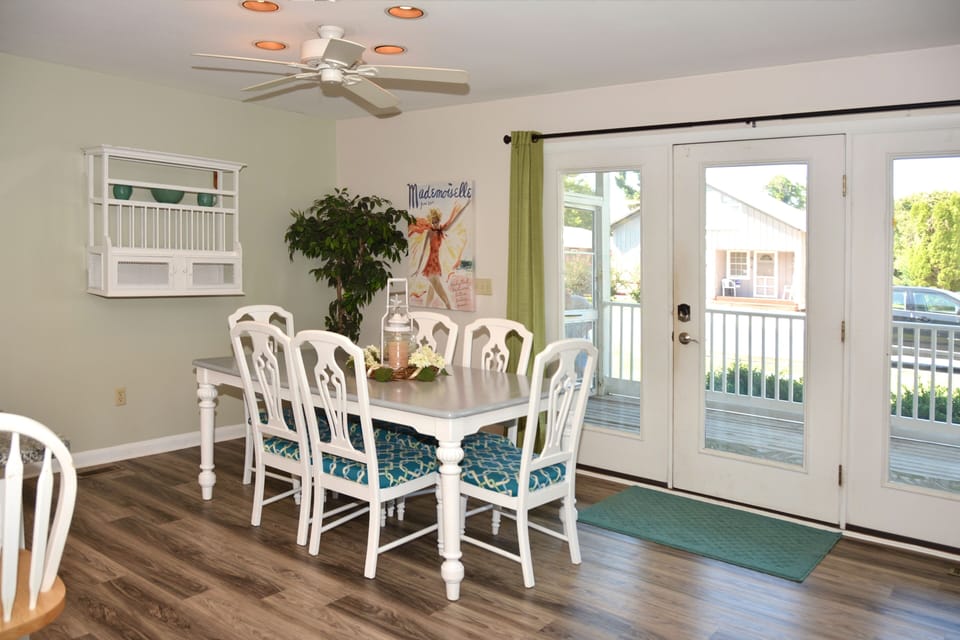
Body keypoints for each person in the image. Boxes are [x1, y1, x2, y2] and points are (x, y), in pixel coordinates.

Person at [409, 201, 469, 309]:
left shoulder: (442, 230)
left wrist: (464, 207)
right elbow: (423, 252)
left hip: (436, 265)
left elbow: (454, 220)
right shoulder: (429, 233)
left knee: (430, 295)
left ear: (439, 221)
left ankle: (426, 313)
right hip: (430, 266)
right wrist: (418, 268)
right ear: (431, 222)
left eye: (436, 222)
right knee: (444, 298)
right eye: (433, 222)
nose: (435, 224)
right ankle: (449, 309)